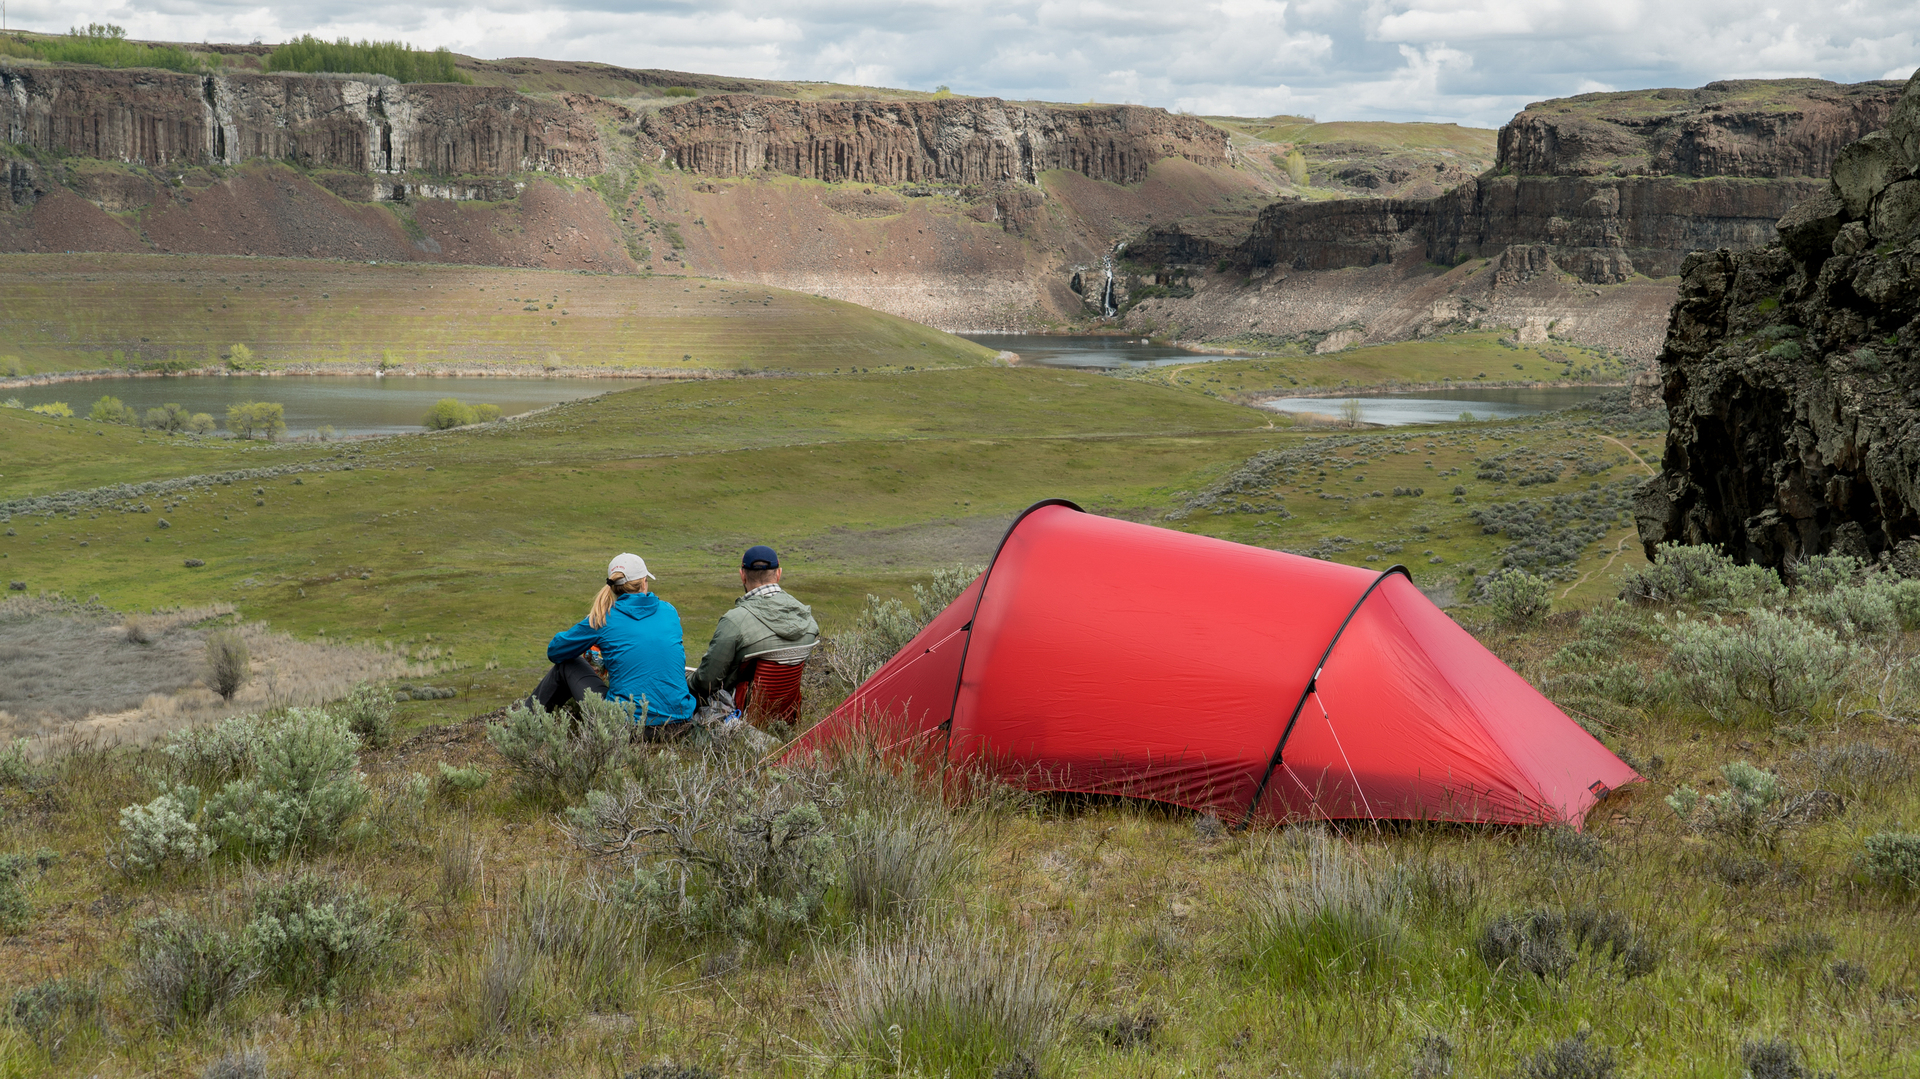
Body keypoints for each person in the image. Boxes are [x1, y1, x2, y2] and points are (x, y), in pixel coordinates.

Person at [527, 553, 696, 727]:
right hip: (680, 723)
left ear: (614, 587)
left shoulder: (603, 619)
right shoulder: (669, 611)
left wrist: (589, 627)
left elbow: (555, 651)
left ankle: (525, 724)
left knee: (566, 666)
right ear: (644, 582)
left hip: (627, 727)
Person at [691, 545, 820, 723]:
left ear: (742, 575)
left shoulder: (734, 622)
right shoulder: (809, 621)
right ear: (779, 574)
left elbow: (706, 683)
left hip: (738, 719)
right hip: (787, 719)